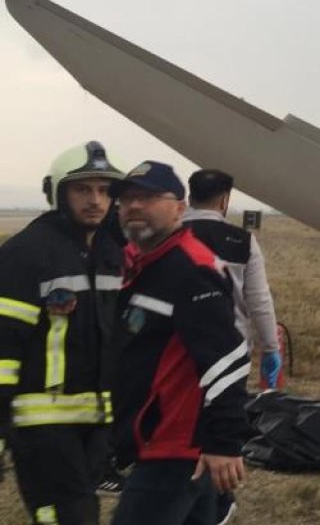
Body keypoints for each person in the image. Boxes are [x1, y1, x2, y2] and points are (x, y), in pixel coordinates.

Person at [107, 161, 252, 525]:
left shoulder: (189, 268)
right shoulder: (147, 265)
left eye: (150, 197)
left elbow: (227, 356)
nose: (135, 206)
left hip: (173, 443)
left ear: (179, 208)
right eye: (127, 199)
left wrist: (223, 442)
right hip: (167, 442)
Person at [0, 141, 126, 525]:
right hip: (42, 426)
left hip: (96, 424)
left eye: (105, 191)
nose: (95, 200)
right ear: (57, 192)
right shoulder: (27, 253)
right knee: (71, 516)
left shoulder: (113, 254)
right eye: (82, 189)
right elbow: (3, 347)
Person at [182, 169, 282, 389]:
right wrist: (270, 348)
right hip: (230, 351)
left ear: (190, 198)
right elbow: (259, 301)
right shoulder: (243, 242)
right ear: (225, 200)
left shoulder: (169, 237)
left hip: (177, 350)